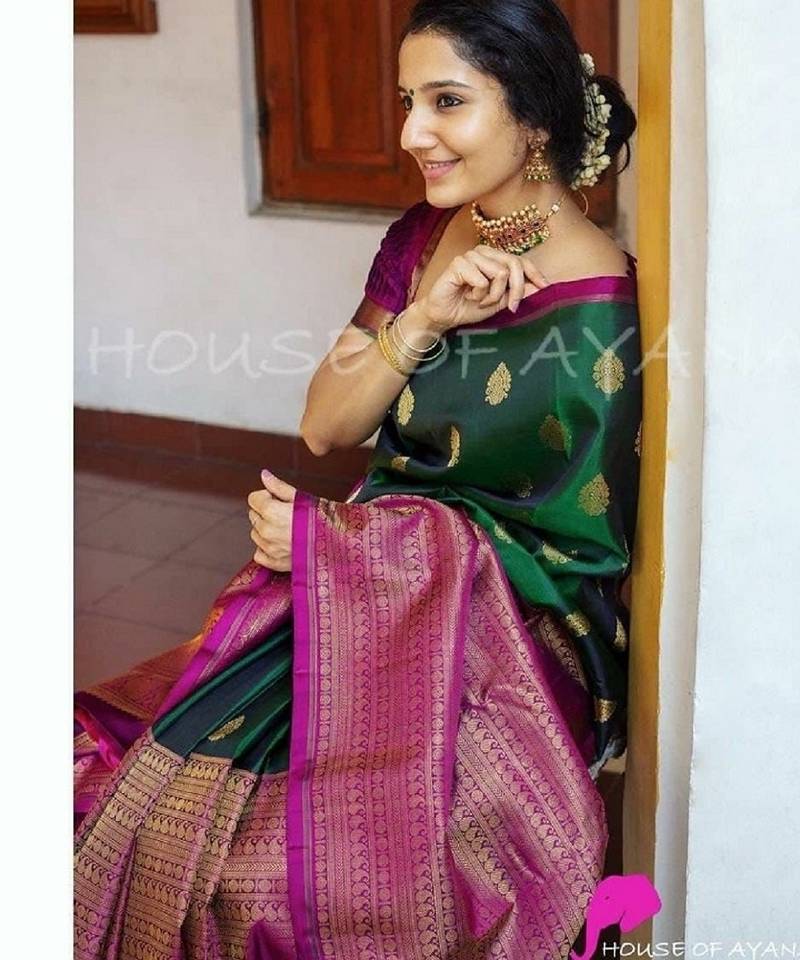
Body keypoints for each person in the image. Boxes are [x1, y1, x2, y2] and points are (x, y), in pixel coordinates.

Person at [74, 1, 642, 957]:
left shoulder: (600, 306)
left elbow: (566, 562)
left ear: (536, 116)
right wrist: (422, 320)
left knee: (278, 879)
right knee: (144, 804)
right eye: (407, 101)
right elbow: (326, 425)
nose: (413, 133)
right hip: (367, 588)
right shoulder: (425, 237)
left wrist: (338, 544)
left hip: (497, 642)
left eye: (447, 102)